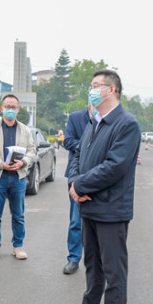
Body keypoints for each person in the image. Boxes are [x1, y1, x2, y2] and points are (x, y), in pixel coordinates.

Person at [60, 70, 141, 304]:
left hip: (111, 208)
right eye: (91, 86)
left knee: (113, 268)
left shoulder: (126, 124)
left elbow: (115, 166)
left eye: (97, 86)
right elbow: (79, 154)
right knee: (91, 262)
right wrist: (73, 180)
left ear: (112, 90)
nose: (92, 90)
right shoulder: (94, 121)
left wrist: (81, 185)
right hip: (89, 206)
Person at [0, 94, 36, 261]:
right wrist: (0, 164)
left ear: (18, 109)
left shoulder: (25, 130)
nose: (10, 109)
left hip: (18, 177)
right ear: (1, 107)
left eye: (13, 107)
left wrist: (23, 162)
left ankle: (18, 246)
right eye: (8, 106)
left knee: (18, 214)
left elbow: (32, 151)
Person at [61, 105, 92, 275]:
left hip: (99, 176)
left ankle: (96, 260)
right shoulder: (76, 117)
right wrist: (90, 146)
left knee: (97, 221)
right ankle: (73, 258)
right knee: (75, 221)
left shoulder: (109, 120)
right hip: (76, 174)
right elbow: (68, 141)